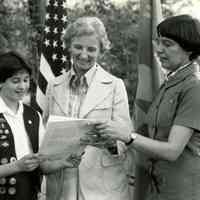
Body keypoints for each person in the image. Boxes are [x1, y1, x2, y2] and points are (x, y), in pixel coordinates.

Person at [88, 14, 200, 200]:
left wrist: (128, 136)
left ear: (189, 49)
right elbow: (151, 137)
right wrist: (113, 140)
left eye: (168, 44)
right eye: (158, 42)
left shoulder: (193, 88)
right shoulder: (169, 83)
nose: (158, 50)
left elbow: (172, 150)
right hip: (156, 190)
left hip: (182, 192)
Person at [41, 16, 134, 200]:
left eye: (91, 49)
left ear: (101, 51)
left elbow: (124, 140)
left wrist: (111, 142)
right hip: (61, 184)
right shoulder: (54, 85)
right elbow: (46, 132)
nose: (84, 54)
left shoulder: (115, 85)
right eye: (78, 47)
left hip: (101, 187)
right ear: (68, 46)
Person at [0, 51, 45, 200]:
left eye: (26, 80)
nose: (22, 86)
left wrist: (64, 161)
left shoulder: (34, 115)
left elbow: (43, 158)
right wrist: (17, 166)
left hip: (29, 193)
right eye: (15, 81)